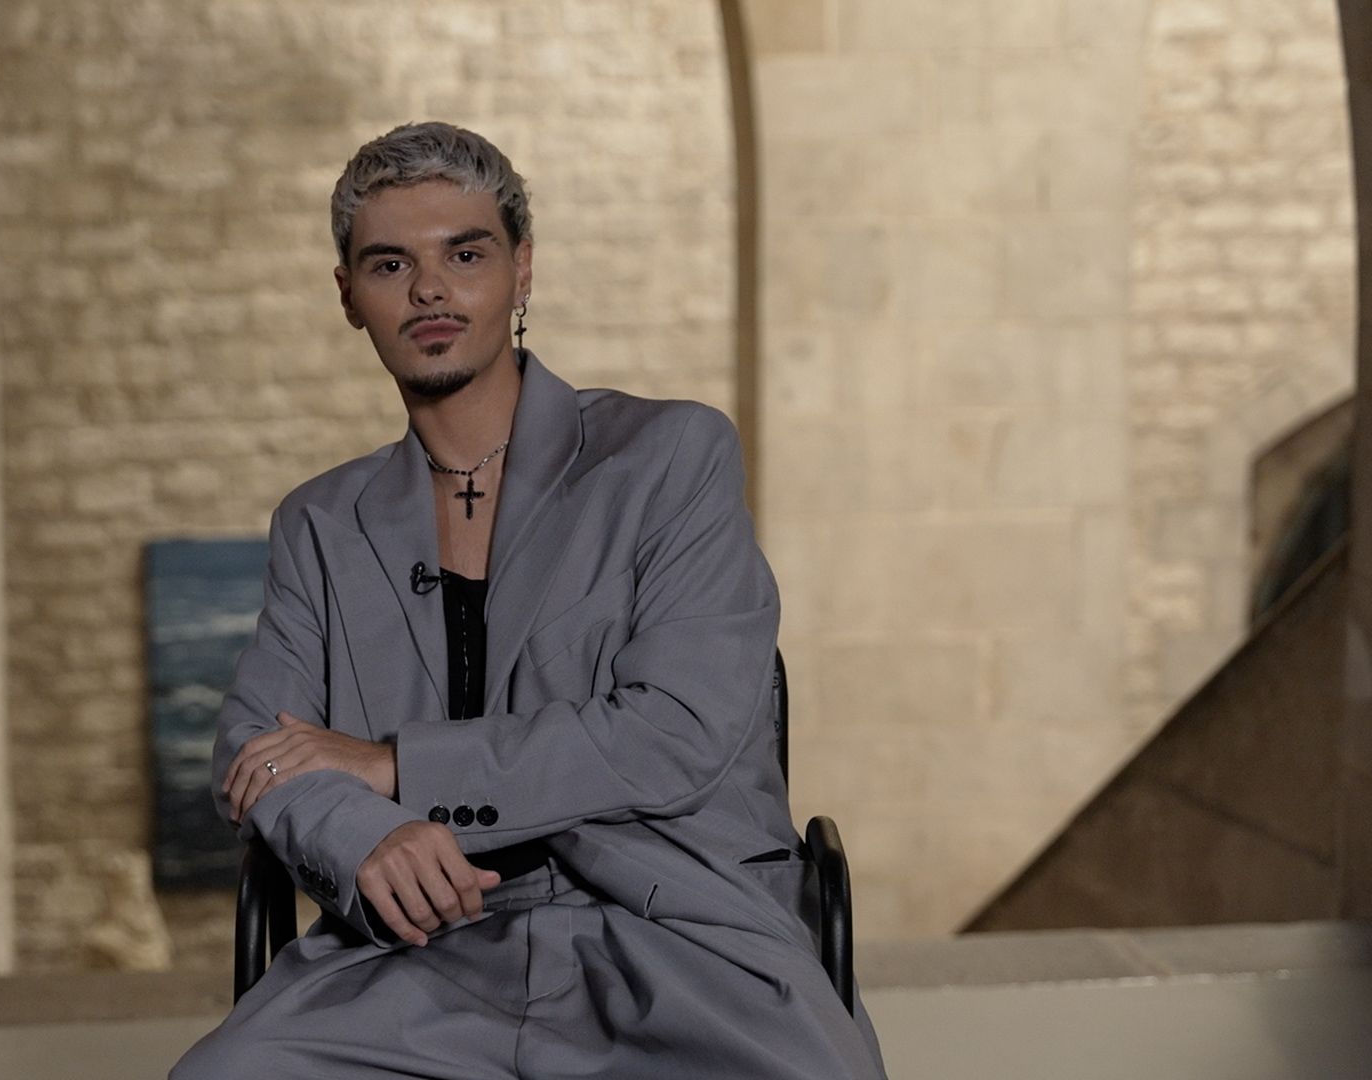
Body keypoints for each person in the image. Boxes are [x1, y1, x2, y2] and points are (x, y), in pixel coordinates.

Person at [171, 121, 887, 1079]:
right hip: (414, 959)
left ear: (523, 271)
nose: (430, 290)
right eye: (390, 264)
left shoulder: (670, 458)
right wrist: (363, 834)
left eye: (465, 255)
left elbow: (675, 731)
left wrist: (395, 766)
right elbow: (256, 747)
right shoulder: (320, 523)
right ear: (348, 296)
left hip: (677, 936)